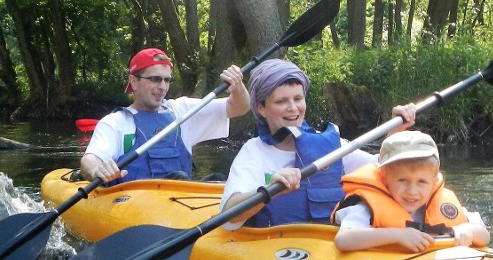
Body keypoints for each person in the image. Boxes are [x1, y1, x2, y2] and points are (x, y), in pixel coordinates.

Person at [219, 58, 417, 228]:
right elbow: (228, 215)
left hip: (328, 246)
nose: (293, 108)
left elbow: (384, 168)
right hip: (275, 249)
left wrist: (395, 132)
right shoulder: (255, 151)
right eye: (281, 102)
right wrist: (269, 190)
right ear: (261, 108)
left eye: (298, 98)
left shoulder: (328, 145)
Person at [81, 48, 249, 184]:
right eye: (155, 79)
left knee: (218, 180)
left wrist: (238, 85)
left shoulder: (182, 111)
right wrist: (97, 170)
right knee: (179, 179)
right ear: (134, 82)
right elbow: (90, 160)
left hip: (180, 202)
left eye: (167, 80)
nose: (162, 86)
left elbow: (239, 107)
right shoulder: (115, 123)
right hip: (132, 205)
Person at [332, 130, 490, 253]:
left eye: (422, 182)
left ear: (433, 181)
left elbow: (484, 235)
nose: (412, 191)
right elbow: (343, 240)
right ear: (384, 179)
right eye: (402, 180)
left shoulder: (442, 202)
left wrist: (468, 230)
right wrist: (398, 235)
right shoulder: (365, 207)